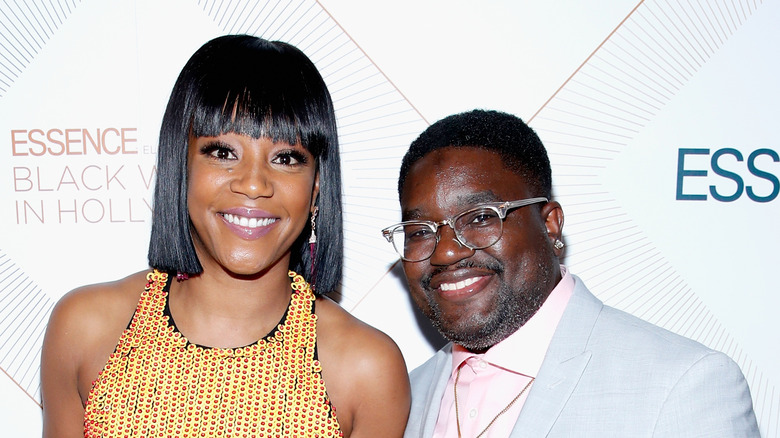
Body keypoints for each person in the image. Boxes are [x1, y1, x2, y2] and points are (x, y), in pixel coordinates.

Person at [40, 34, 410, 437]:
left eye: (286, 158)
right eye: (222, 152)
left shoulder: (366, 369)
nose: (253, 184)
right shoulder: (84, 327)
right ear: (180, 165)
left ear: (317, 186)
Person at [382, 109, 759, 437]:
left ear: (550, 225)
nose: (446, 251)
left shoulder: (682, 385)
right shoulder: (401, 398)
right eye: (419, 232)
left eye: (481, 217)